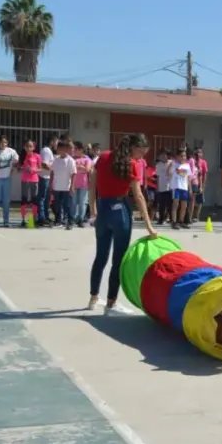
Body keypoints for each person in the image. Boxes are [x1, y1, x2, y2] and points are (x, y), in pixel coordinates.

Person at [88, 133, 157, 314]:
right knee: (118, 260)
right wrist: (149, 225)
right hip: (120, 211)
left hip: (103, 210)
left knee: (100, 257)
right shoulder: (132, 164)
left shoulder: (103, 157)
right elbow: (139, 196)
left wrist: (92, 210)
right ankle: (111, 302)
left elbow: (92, 184)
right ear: (133, 147)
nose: (141, 157)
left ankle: (93, 298)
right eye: (140, 152)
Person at [51, 140, 77, 230]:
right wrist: (51, 184)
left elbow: (73, 174)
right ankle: (58, 220)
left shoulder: (70, 160)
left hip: (66, 187)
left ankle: (70, 222)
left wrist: (72, 186)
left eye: (62, 148)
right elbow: (52, 172)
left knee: (68, 205)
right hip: (57, 186)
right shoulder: (56, 160)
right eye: (59, 148)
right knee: (57, 205)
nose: (60, 150)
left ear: (66, 149)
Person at [19, 140, 41, 227]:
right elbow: (19, 167)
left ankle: (32, 220)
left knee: (34, 201)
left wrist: (34, 170)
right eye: (27, 146)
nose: (29, 148)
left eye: (30, 146)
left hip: (34, 180)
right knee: (24, 200)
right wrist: (22, 168)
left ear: (34, 147)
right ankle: (23, 220)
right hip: (24, 180)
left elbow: (40, 168)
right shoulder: (23, 156)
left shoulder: (37, 156)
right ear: (24, 147)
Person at [168, 149, 192, 229]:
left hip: (184, 187)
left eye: (184, 156)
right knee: (175, 204)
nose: (183, 157)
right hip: (176, 187)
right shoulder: (174, 164)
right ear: (177, 156)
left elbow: (188, 178)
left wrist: (190, 189)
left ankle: (181, 221)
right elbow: (168, 173)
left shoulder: (187, 166)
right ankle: (174, 222)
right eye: (181, 156)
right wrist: (170, 166)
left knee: (184, 205)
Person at [37, 134, 58, 226]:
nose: (57, 144)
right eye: (56, 142)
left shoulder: (49, 151)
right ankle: (41, 217)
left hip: (47, 177)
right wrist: (54, 167)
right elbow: (44, 164)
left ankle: (45, 216)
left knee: (47, 198)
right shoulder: (46, 150)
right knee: (42, 198)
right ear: (52, 141)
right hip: (43, 177)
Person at [72, 142, 93, 227]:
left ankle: (80, 219)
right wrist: (81, 167)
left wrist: (80, 167)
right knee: (74, 202)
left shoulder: (87, 159)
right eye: (74, 149)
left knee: (82, 202)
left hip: (84, 184)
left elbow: (87, 169)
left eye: (76, 149)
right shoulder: (72, 159)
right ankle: (73, 218)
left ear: (81, 150)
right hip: (74, 183)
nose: (74, 151)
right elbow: (72, 169)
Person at [189, 148, 208, 223]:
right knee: (192, 200)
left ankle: (196, 216)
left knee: (199, 201)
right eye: (197, 153)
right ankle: (191, 215)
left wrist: (202, 186)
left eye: (200, 153)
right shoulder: (191, 161)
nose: (198, 154)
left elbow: (204, 175)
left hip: (199, 183)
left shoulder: (203, 162)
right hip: (192, 183)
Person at [154, 150, 172, 224]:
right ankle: (161, 219)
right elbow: (158, 177)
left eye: (164, 155)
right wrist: (157, 187)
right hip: (161, 188)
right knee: (162, 205)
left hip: (170, 187)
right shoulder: (158, 165)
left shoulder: (171, 163)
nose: (163, 157)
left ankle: (170, 218)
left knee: (170, 205)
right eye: (161, 156)